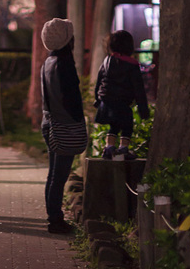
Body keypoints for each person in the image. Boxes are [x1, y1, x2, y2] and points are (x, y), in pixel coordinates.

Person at [40, 18, 87, 235]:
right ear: (68, 39)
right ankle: (55, 221)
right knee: (59, 176)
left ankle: (54, 216)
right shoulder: (64, 64)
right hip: (64, 125)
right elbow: (71, 98)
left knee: (53, 175)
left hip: (50, 122)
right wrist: (79, 118)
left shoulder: (48, 62)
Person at [94, 29, 150, 160]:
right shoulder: (132, 65)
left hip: (107, 102)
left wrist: (98, 100)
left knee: (113, 126)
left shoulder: (106, 62)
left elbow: (99, 82)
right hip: (123, 102)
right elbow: (138, 88)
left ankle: (108, 149)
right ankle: (123, 150)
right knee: (127, 125)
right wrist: (143, 109)